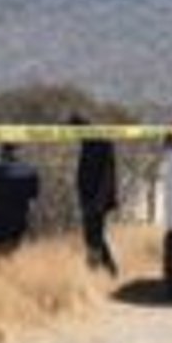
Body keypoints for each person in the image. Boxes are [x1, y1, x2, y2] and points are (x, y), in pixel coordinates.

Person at [71, 114, 120, 276]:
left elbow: (107, 175)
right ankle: (104, 268)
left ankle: (102, 269)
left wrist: (99, 200)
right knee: (92, 235)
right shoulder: (89, 141)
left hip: (97, 198)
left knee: (94, 235)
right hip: (90, 197)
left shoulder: (100, 142)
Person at [0, 143, 41, 260]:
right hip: (20, 218)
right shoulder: (30, 170)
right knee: (11, 252)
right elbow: (34, 194)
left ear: (3, 152)